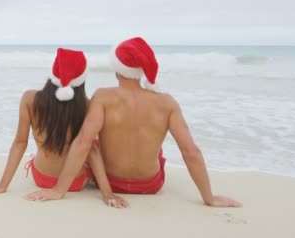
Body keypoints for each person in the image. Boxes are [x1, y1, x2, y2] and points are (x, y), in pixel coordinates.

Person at [25, 37, 242, 208]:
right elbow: (190, 151)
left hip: (112, 181)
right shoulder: (167, 103)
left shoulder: (103, 97)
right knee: (155, 148)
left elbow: (83, 143)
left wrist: (58, 190)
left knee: (94, 142)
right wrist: (209, 197)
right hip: (150, 185)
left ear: (118, 69)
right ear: (141, 72)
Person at [0, 48, 116, 201]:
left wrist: (2, 185)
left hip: (41, 178)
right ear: (82, 79)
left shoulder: (29, 99)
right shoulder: (86, 105)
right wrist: (107, 193)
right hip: (75, 182)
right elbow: (91, 150)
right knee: (92, 143)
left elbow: (20, 143)